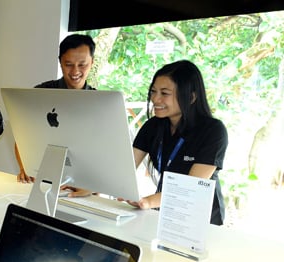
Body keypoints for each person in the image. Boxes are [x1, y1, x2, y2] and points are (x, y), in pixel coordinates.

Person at [65, 60, 229, 225]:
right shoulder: (154, 126)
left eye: (164, 93)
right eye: (153, 91)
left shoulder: (213, 131)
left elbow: (190, 188)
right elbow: (123, 170)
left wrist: (148, 202)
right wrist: (91, 187)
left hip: (201, 220)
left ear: (191, 97)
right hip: (164, 212)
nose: (155, 99)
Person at [15, 34, 96, 183]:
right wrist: (24, 168)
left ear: (92, 62)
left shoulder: (99, 103)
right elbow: (22, 135)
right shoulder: (41, 93)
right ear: (60, 62)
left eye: (82, 64)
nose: (75, 71)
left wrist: (92, 186)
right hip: (40, 176)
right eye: (69, 64)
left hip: (81, 181)